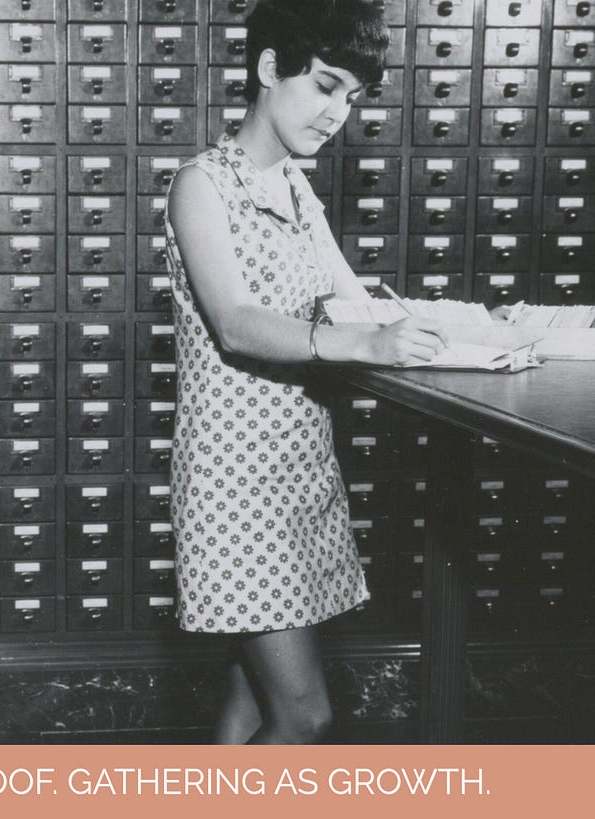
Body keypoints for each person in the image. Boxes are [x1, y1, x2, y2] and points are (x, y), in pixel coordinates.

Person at [163, 0, 447, 744]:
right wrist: (363, 342)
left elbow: (352, 298)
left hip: (297, 475)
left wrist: (466, 330)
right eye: (325, 85)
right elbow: (236, 320)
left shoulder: (294, 185)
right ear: (267, 68)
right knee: (305, 716)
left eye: (352, 97)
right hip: (234, 488)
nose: (337, 114)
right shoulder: (202, 184)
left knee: (251, 699)